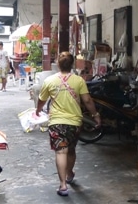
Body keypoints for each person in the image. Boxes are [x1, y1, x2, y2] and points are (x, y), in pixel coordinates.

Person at [35, 52, 101, 197]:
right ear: (72, 65)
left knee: (61, 151)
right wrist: (96, 115)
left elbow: (41, 100)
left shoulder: (50, 81)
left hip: (57, 122)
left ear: (58, 64)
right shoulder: (79, 81)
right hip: (74, 123)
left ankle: (63, 185)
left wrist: (38, 111)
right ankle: (69, 173)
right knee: (70, 150)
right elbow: (88, 101)